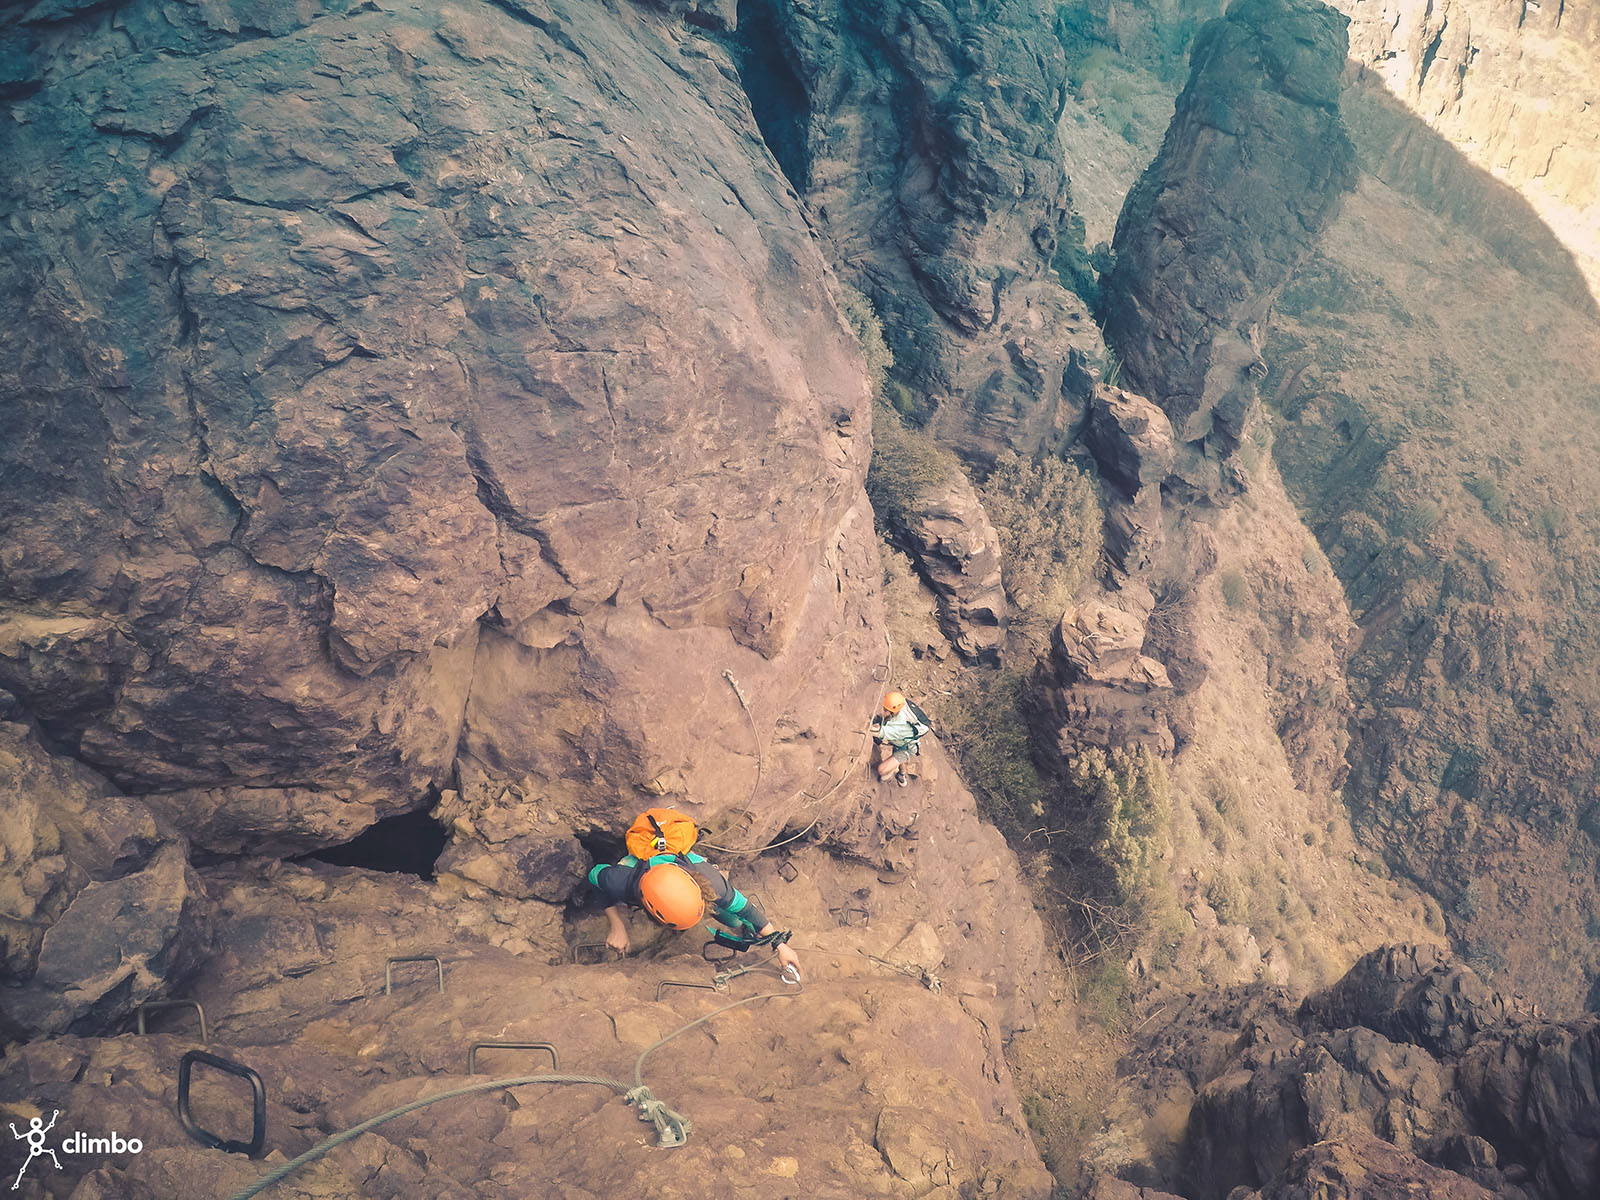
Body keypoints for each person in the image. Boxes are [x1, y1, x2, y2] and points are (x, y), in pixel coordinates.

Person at [587, 846, 802, 978]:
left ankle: (732, 922)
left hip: (684, 862)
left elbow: (747, 909)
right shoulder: (619, 881)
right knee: (734, 918)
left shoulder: (713, 883)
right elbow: (594, 875)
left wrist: (780, 945)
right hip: (639, 862)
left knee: (735, 921)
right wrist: (616, 924)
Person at [871, 691, 932, 786]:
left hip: (906, 748)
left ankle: (899, 774)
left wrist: (865, 726)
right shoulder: (899, 708)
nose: (884, 711)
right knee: (898, 757)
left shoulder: (900, 727)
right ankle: (901, 774)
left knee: (881, 770)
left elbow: (879, 732)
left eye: (886, 710)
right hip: (901, 741)